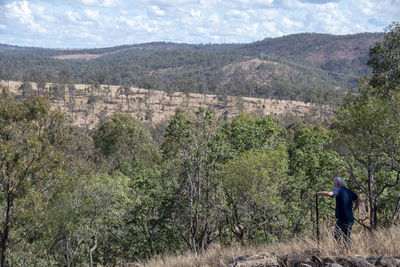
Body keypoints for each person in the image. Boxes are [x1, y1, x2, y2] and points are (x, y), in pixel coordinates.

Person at [315, 177, 360, 250]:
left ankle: (340, 254)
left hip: (342, 218)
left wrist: (318, 193)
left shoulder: (338, 189)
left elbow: (330, 194)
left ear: (337, 184)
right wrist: (354, 209)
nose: (334, 186)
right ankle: (347, 254)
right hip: (350, 218)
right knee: (346, 237)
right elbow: (358, 199)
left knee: (337, 236)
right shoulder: (348, 191)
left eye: (334, 184)